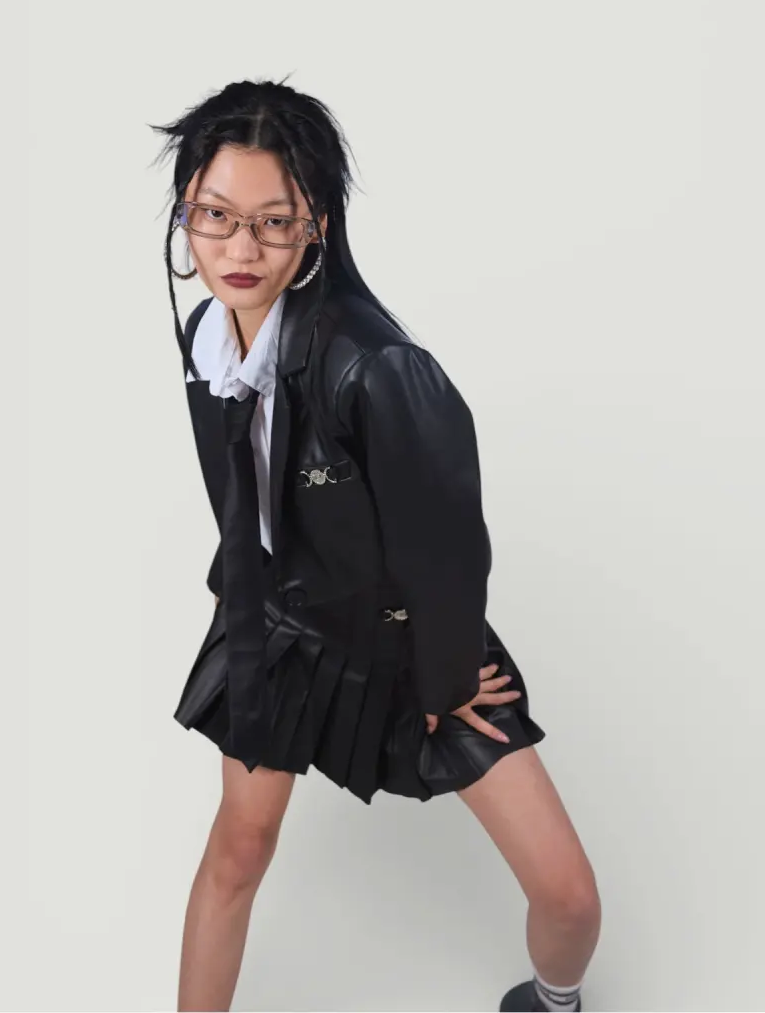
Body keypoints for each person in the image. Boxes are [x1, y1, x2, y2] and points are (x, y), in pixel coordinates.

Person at [150, 78, 601, 1012]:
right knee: (239, 846)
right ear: (185, 211)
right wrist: (243, 600)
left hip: (409, 634)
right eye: (216, 215)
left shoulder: (380, 367)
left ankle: (553, 1001)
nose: (240, 249)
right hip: (283, 622)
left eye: (274, 222)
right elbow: (241, 491)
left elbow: (448, 546)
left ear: (315, 223)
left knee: (569, 897)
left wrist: (444, 677)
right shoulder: (207, 335)